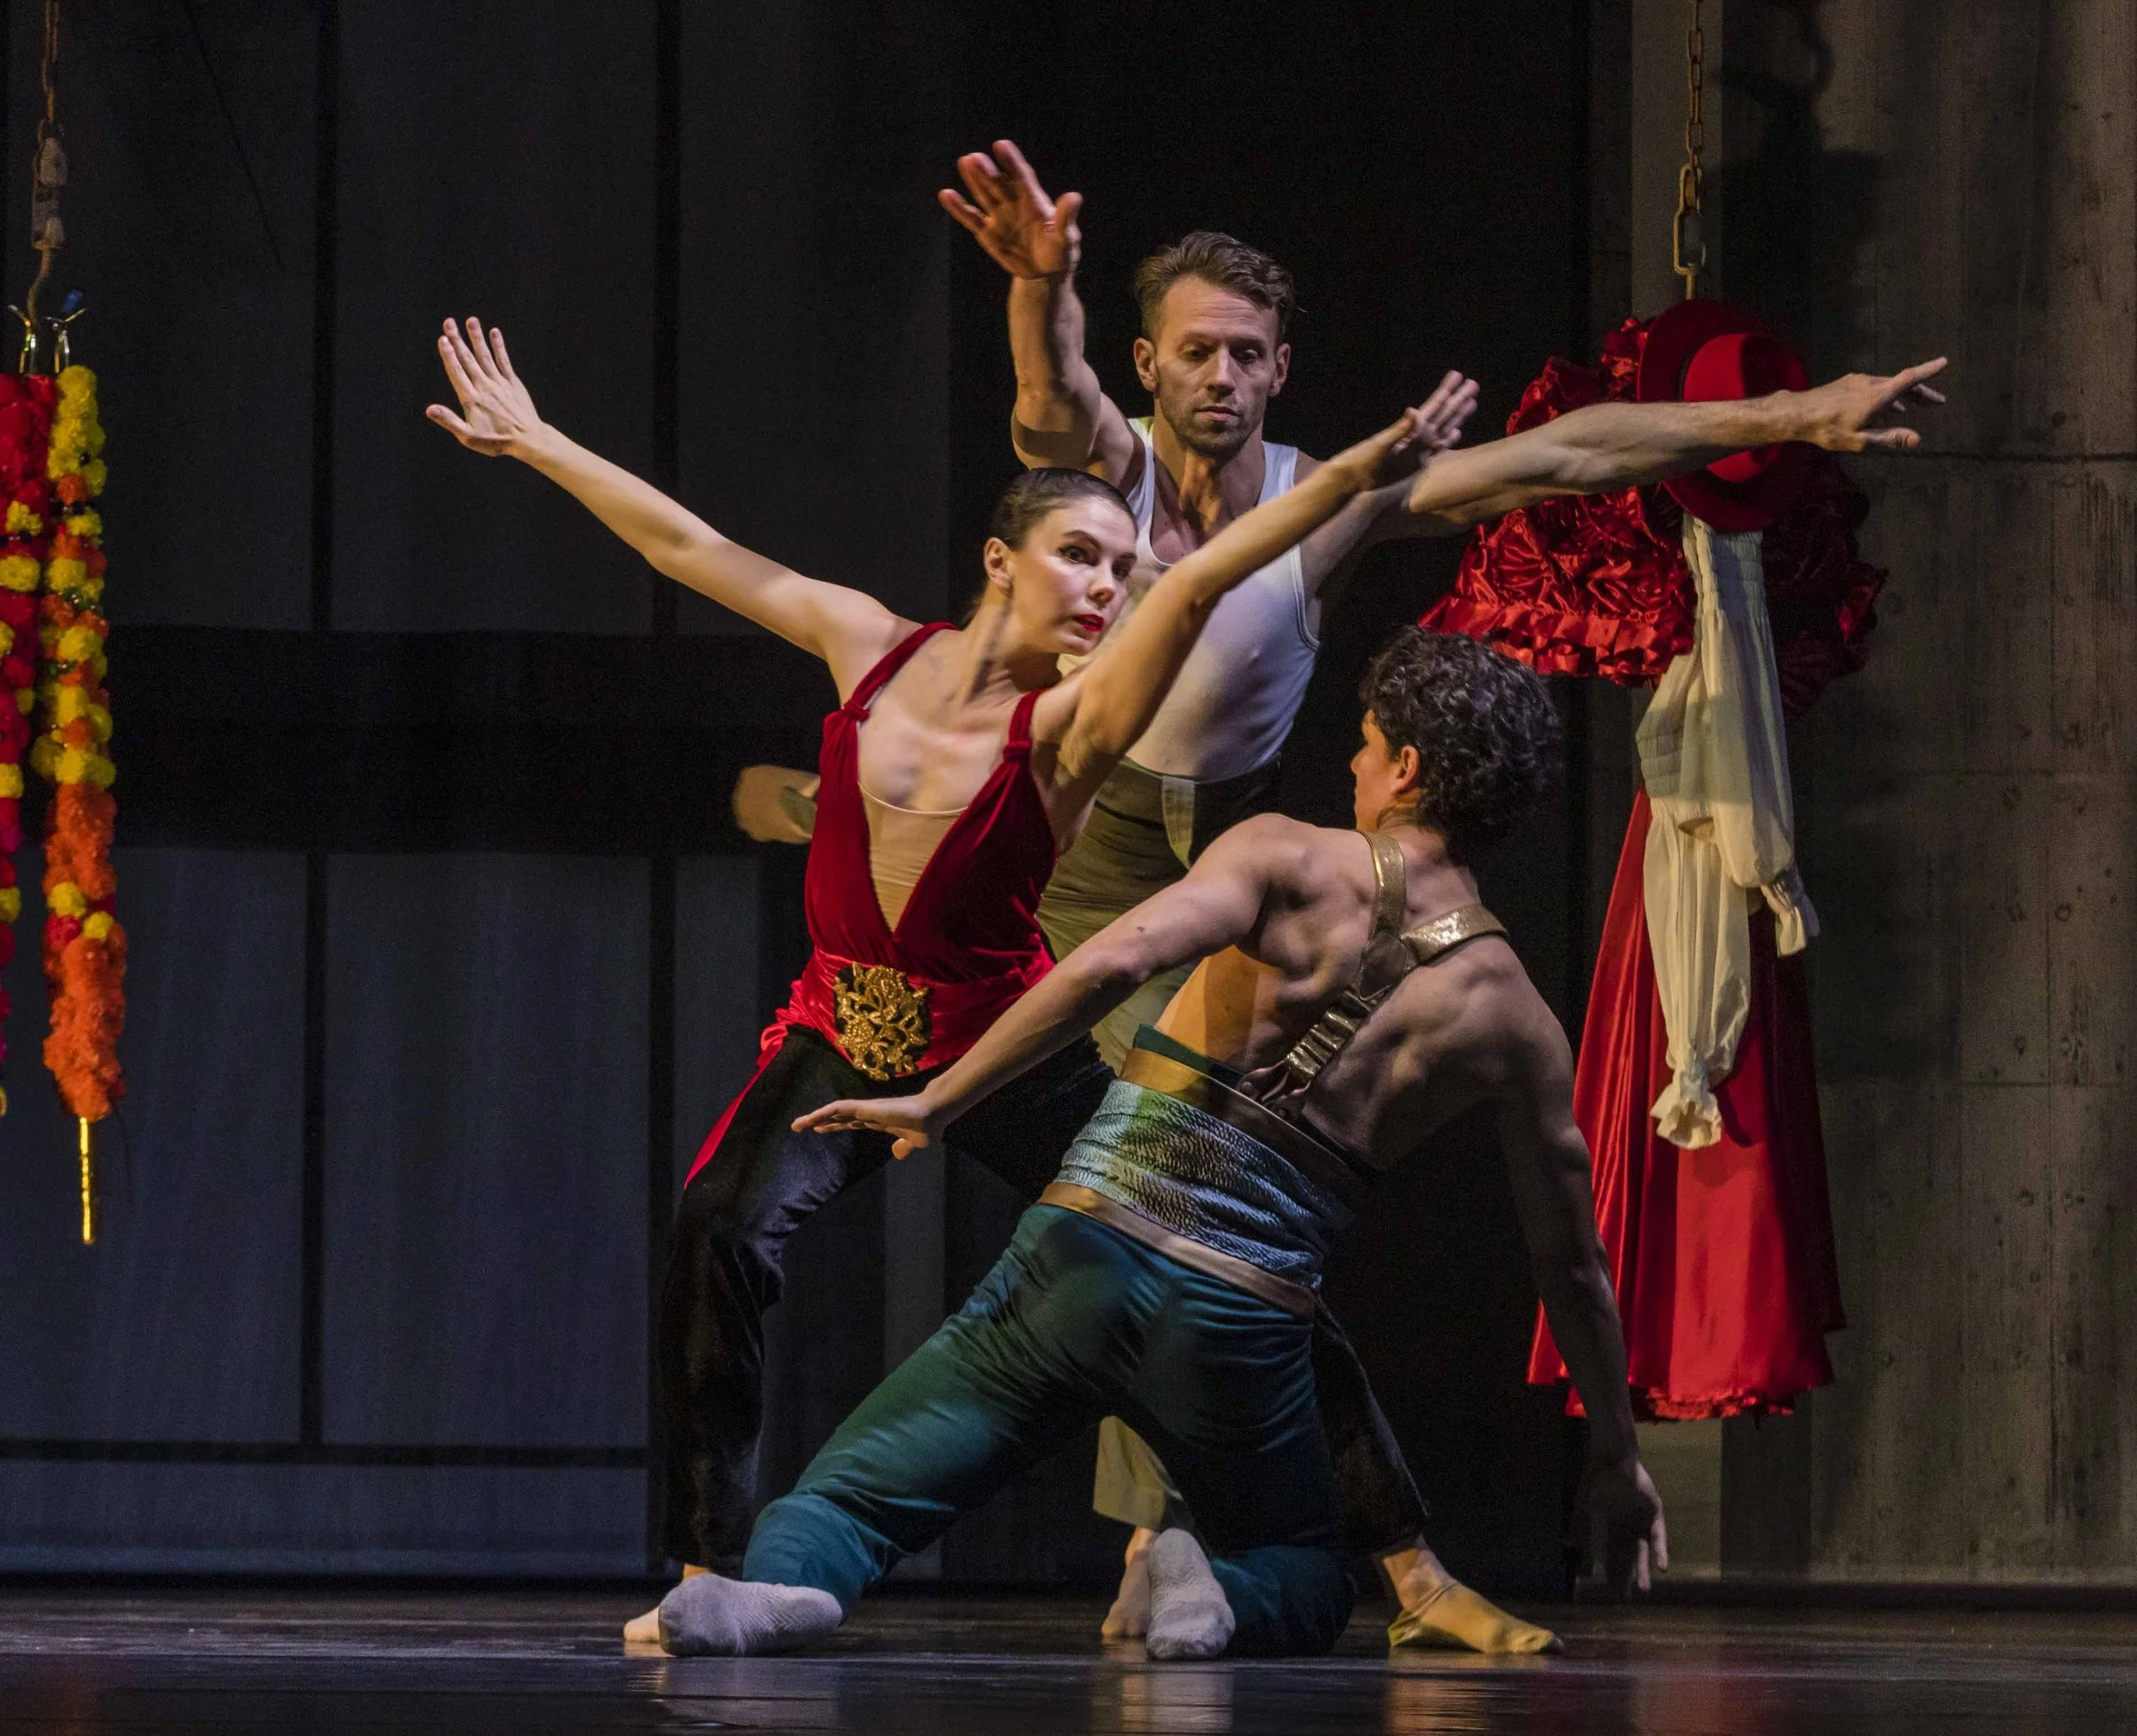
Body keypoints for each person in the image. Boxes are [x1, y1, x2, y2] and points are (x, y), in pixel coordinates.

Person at [733, 138, 1952, 1653]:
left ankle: (1191, 1544)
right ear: (1150, 365)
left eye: (1249, 353)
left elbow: (1571, 453)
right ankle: (1284, 1553)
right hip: (1083, 850)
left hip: (1234, 853)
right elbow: (1049, 397)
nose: (1223, 377)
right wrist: (1037, 289)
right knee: (1143, 1205)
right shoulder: (1110, 472)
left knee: (1222, 1221)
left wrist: (1793, 415)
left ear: (1282, 365)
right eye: (1196, 351)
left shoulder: (1332, 497)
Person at [421, 313, 1461, 1641]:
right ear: (998, 559)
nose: (1106, 587)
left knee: (1210, 1243)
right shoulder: (866, 642)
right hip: (838, 1029)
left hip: (1001, 1045)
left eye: (1122, 568)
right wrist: (535, 441)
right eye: (1079, 555)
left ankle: (1402, 1553)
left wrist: (1360, 468)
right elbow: (688, 546)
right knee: (718, 1226)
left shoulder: (1074, 722)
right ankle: (705, 1570)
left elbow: (1202, 584)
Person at [654, 628, 1663, 1661]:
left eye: (1365, 747)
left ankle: (774, 1592)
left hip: (1076, 1262)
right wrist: (1616, 1458)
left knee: (845, 1504)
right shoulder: (1518, 1020)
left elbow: (1113, 963)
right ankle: (1215, 1594)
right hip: (1238, 1324)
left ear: (1404, 769)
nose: (1353, 769)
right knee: (1309, 1573)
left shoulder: (1287, 857)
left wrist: (942, 1098)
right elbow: (1573, 1265)